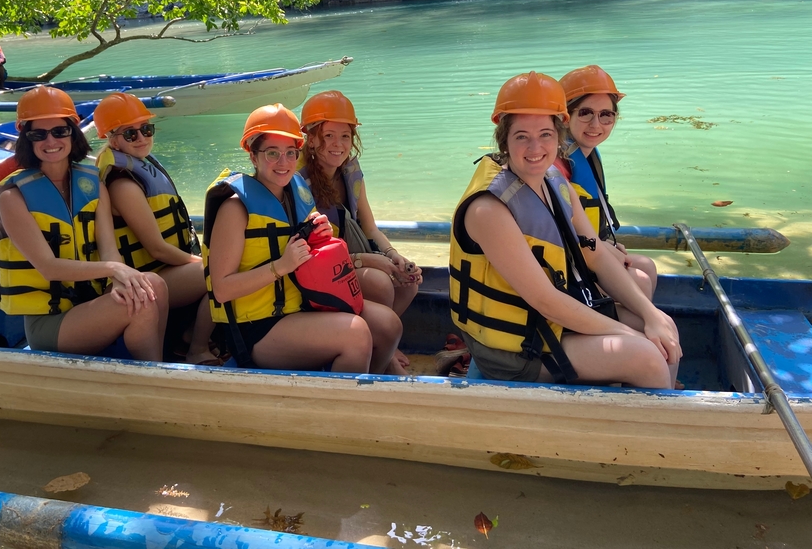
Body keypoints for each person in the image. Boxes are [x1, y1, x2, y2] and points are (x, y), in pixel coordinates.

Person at [449, 72, 681, 388]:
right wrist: (631, 335)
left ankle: (654, 404)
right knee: (648, 355)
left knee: (665, 328)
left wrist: (651, 315)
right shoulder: (489, 210)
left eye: (545, 134)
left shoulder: (555, 182)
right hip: (516, 351)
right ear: (504, 140)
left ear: (559, 136)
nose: (535, 148)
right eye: (521, 136)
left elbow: (596, 255)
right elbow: (545, 300)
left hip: (550, 324)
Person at [203, 103, 403, 373]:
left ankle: (364, 387)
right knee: (356, 334)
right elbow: (222, 289)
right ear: (253, 156)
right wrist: (280, 267)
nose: (283, 162)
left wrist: (320, 235)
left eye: (290, 153)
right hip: (258, 327)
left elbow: (312, 255)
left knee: (389, 325)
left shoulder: (297, 193)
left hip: (304, 304)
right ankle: (338, 397)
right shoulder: (235, 209)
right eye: (272, 153)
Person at [0, 86, 168, 360]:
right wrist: (115, 269)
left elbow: (109, 249)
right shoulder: (13, 198)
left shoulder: (92, 183)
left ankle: (157, 363)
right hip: (51, 321)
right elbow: (49, 268)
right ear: (27, 139)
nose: (51, 140)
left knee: (154, 285)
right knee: (141, 301)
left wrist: (118, 281)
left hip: (90, 302)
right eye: (39, 134)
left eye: (60, 131)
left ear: (72, 133)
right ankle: (153, 375)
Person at [297, 91, 422, 368]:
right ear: (311, 139)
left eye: (345, 136)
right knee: (379, 282)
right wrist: (368, 261)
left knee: (409, 283)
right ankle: (384, 355)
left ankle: (384, 345)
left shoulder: (349, 171)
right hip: (320, 270)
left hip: (349, 259)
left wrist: (394, 255)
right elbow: (311, 255)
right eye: (329, 135)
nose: (338, 144)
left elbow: (370, 228)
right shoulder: (297, 183)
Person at [93, 93, 219, 365]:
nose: (141, 138)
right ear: (112, 139)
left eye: (146, 129)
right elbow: (157, 249)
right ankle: (195, 348)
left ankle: (189, 335)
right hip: (149, 276)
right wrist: (204, 262)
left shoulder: (140, 165)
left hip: (166, 270)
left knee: (221, 264)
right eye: (130, 134)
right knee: (220, 272)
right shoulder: (122, 183)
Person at [555, 65, 658, 300]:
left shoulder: (585, 154)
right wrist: (604, 250)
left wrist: (606, 245)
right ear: (564, 117)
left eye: (606, 115)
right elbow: (558, 232)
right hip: (567, 263)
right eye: (585, 113)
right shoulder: (557, 164)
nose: (596, 124)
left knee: (647, 267)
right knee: (640, 280)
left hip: (587, 250)